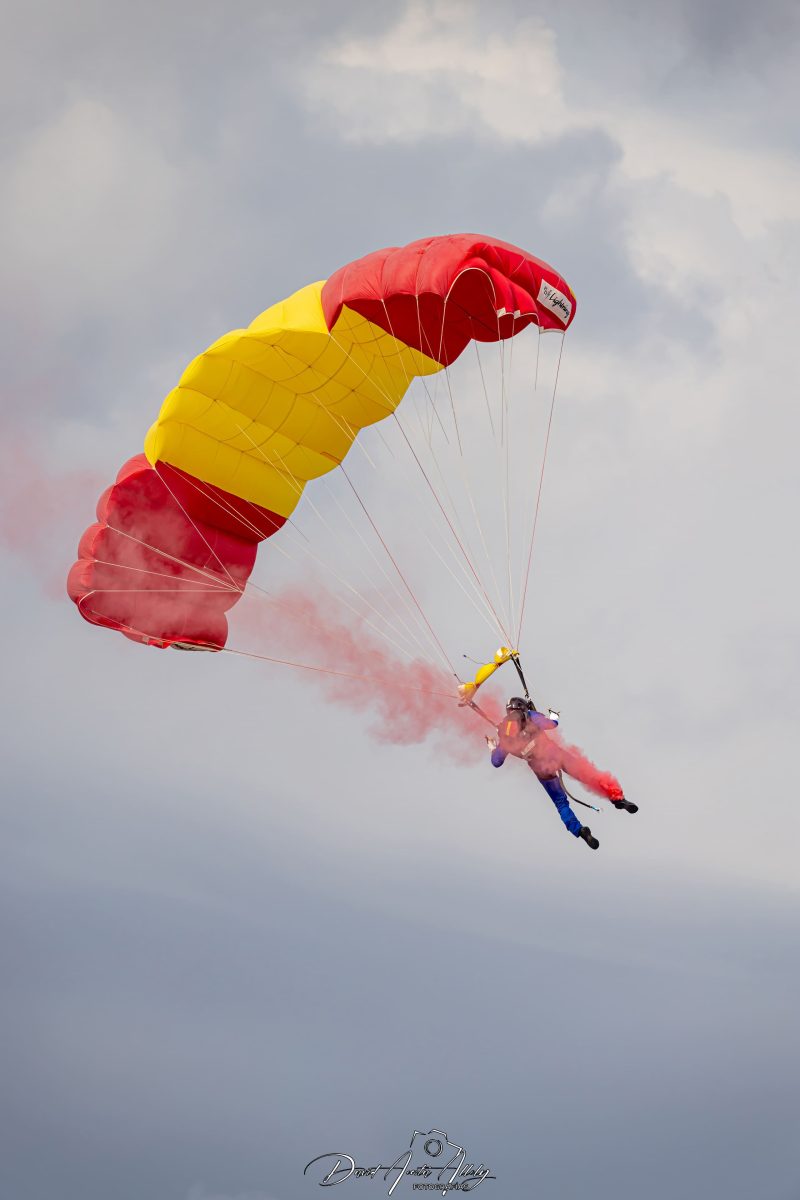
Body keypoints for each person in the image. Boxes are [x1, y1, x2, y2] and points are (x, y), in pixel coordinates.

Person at [487, 697, 637, 850]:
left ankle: (581, 831)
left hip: (542, 770)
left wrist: (493, 748)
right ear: (523, 707)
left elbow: (496, 762)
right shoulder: (530, 715)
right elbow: (552, 724)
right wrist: (552, 714)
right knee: (586, 775)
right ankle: (618, 799)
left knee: (561, 803)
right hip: (555, 755)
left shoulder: (505, 736)